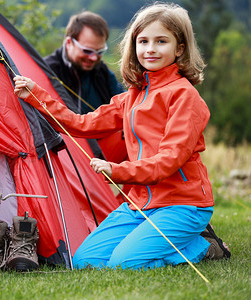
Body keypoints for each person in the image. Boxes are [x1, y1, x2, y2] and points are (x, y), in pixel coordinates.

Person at [14, 3, 230, 270]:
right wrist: (37, 96)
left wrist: (117, 170)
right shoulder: (132, 97)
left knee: (123, 262)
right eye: (143, 41)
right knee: (85, 260)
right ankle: (171, 241)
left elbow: (169, 160)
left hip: (182, 204)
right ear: (134, 46)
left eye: (161, 41)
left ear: (179, 48)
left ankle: (203, 245)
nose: (150, 48)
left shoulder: (185, 96)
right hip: (139, 202)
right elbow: (81, 124)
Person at [44, 11, 124, 115]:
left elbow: (124, 103)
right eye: (87, 51)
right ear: (69, 43)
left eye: (99, 52)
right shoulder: (47, 71)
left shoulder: (102, 72)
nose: (94, 58)